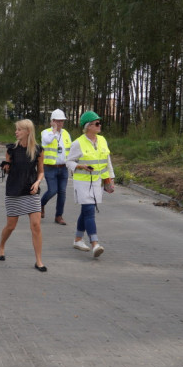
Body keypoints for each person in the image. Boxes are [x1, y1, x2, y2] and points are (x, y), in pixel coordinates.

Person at [0, 119, 46, 271]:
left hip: (31, 189)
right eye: (16, 129)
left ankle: (38, 261)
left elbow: (41, 171)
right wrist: (5, 168)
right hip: (14, 190)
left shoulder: (38, 150)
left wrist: (37, 183)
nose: (16, 132)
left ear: (27, 131)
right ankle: (1, 246)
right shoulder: (11, 149)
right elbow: (8, 168)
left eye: (19, 130)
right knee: (11, 226)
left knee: (36, 225)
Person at [67, 110, 115, 258]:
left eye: (99, 123)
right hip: (82, 184)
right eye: (97, 123)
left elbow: (107, 161)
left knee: (86, 211)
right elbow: (68, 161)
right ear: (88, 126)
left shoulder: (102, 140)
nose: (100, 125)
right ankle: (95, 244)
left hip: (97, 183)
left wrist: (110, 179)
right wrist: (80, 166)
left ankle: (77, 239)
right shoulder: (78, 143)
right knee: (89, 212)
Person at [40, 108, 72, 225]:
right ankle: (41, 204)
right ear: (52, 121)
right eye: (57, 121)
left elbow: (71, 149)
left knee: (62, 192)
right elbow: (47, 141)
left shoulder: (66, 134)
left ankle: (59, 216)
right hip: (50, 167)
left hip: (63, 167)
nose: (60, 123)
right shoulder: (46, 132)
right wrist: (54, 130)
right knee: (53, 190)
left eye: (62, 121)